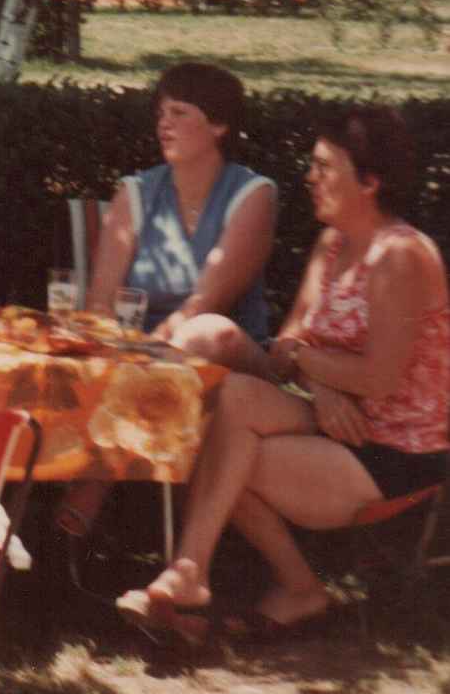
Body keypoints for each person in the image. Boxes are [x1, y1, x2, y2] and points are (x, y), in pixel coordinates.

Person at [117, 105, 450, 644]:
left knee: (217, 444)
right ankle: (206, 574)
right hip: (331, 418)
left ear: (370, 182)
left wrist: (307, 363)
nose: (310, 178)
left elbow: (379, 380)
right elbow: (282, 352)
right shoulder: (332, 245)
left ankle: (231, 576)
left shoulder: (402, 256)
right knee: (229, 400)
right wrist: (320, 383)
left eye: (324, 167)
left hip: (393, 448)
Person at [87, 62, 276, 374]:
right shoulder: (135, 192)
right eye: (161, 113)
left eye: (179, 112)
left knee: (205, 331)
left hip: (226, 362)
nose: (164, 123)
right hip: (134, 357)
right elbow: (100, 303)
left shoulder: (252, 195)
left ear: (219, 125)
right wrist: (113, 354)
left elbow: (203, 306)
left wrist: (140, 362)